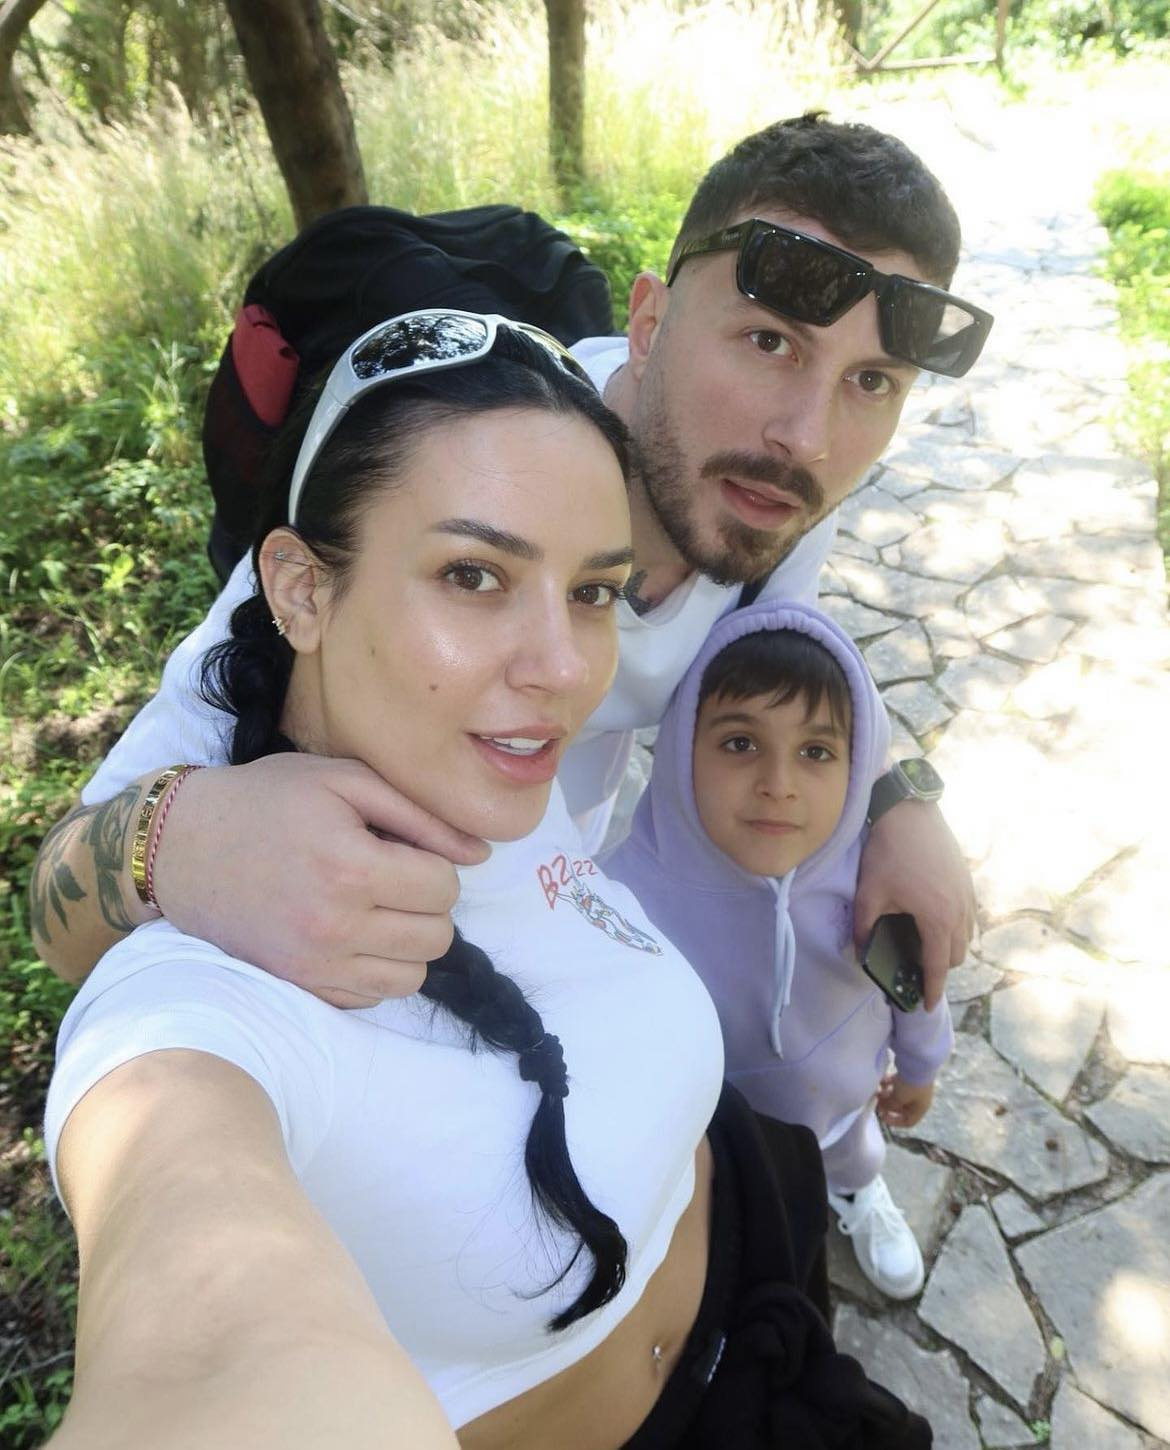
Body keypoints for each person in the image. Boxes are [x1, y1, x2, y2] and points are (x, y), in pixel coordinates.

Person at [43, 313, 931, 1450]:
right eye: (473, 575)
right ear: (301, 591)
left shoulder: (477, 763)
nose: (564, 670)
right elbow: (201, 1320)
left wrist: (899, 801)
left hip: (757, 1257)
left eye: (594, 592)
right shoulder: (205, 993)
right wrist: (165, 838)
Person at [30, 112, 989, 1011]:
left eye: (871, 382)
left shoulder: (771, 497)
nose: (809, 437)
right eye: (768, 342)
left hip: (556, 914)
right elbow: (57, 908)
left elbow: (783, 648)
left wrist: (895, 799)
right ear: (649, 326)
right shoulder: (441, 473)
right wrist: (181, 841)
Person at [604, 601, 953, 1300]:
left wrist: (921, 1066)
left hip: (844, 1100)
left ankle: (857, 1193)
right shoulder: (622, 896)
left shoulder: (878, 878)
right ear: (681, 748)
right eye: (740, 743)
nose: (778, 784)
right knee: (735, 1217)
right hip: (711, 1128)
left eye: (816, 752)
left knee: (850, 1157)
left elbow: (914, 986)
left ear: (857, 767)